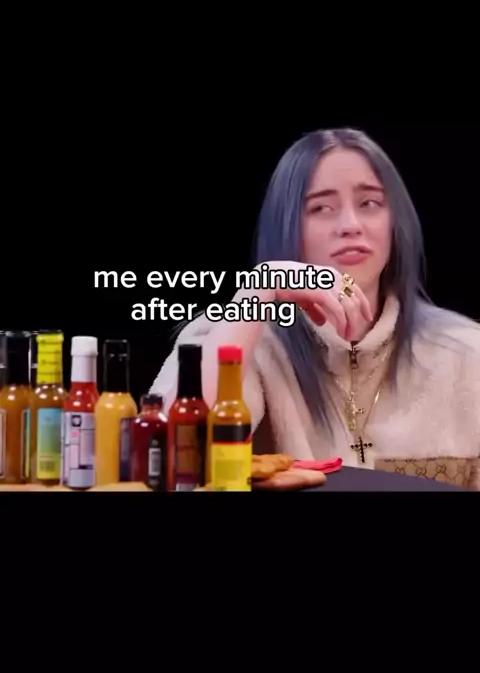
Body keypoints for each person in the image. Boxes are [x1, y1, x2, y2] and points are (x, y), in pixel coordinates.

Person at [151, 128, 480, 489]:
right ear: (287, 225)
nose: (350, 226)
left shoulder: (466, 352)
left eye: (369, 203)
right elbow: (163, 458)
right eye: (321, 208)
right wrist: (258, 292)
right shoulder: (236, 335)